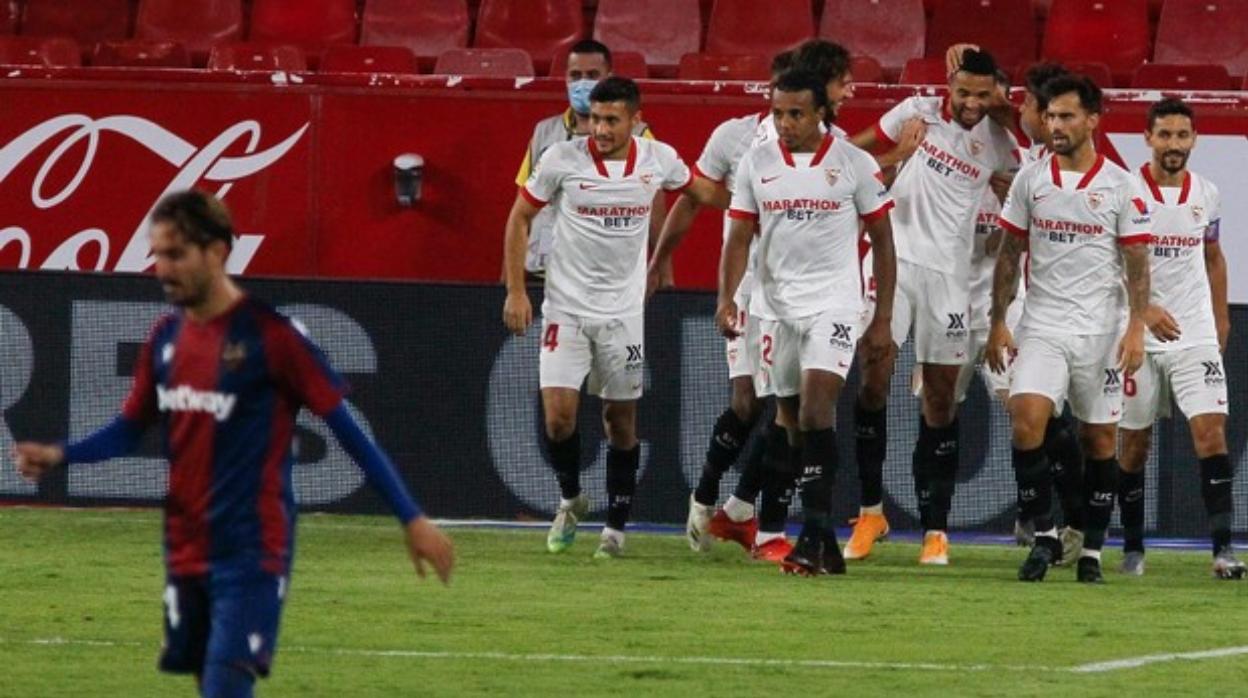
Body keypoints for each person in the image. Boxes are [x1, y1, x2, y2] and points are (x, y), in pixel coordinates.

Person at [12, 189, 454, 698]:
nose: (162, 268)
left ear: (218, 252)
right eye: (156, 254)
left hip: (252, 553)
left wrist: (411, 517)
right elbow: (129, 429)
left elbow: (350, 433)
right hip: (185, 548)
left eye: (175, 254)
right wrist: (61, 454)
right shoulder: (164, 339)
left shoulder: (274, 338)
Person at [648, 40, 859, 562]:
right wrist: (661, 259)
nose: (786, 114)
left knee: (790, 411)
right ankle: (708, 495)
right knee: (748, 404)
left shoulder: (839, 147)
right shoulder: (737, 139)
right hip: (750, 289)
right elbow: (695, 195)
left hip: (808, 294)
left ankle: (764, 527)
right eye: (777, 99)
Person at [503, 77, 713, 559]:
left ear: (636, 121)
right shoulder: (560, 160)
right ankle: (571, 497)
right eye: (594, 118)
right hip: (566, 309)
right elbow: (518, 218)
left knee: (620, 421)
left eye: (611, 119)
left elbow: (700, 192)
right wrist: (516, 290)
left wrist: (758, 209)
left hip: (622, 314)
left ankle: (615, 527)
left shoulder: (657, 159)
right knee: (558, 419)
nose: (599, 128)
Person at [987, 74, 1168, 583]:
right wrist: (998, 321)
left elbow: (1137, 263)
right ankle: (1044, 533)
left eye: (1067, 116)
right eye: (1050, 116)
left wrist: (1135, 329)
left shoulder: (1121, 186)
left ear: (1092, 120)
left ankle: (1090, 549)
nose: (1056, 125)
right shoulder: (1031, 179)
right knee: (1026, 422)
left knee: (1099, 444)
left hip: (1100, 333)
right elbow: (1009, 253)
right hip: (1042, 326)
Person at [718, 69, 896, 576]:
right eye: (777, 113)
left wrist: (881, 318)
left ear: (822, 113)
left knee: (818, 411)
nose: (785, 122)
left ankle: (814, 539)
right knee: (793, 424)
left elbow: (883, 241)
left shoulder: (853, 164)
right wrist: (727, 297)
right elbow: (738, 237)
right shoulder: (757, 163)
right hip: (775, 309)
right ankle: (824, 544)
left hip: (835, 305)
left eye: (795, 113)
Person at [848, 49, 1019, 565]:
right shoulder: (913, 111)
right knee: (874, 375)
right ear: (949, 83)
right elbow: (848, 158)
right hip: (893, 262)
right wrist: (896, 155)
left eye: (981, 95)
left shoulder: (1000, 142)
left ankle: (935, 531)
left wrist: (1004, 184)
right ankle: (871, 512)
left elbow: (1025, 181)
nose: (970, 103)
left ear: (995, 93)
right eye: (963, 91)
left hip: (951, 277)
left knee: (941, 399)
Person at [1117, 98, 1243, 579]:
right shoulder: (1125, 192)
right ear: (1147, 138)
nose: (1174, 144)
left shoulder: (1206, 193)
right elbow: (1111, 262)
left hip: (1194, 335)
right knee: (1134, 446)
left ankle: (1223, 551)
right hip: (1139, 338)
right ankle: (1132, 548)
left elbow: (1212, 256)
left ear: (1194, 140)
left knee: (1211, 433)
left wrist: (1221, 319)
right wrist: (1144, 311)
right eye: (1164, 135)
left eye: (1182, 136)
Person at [512, 39, 668, 284]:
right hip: (541, 275)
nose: (582, 83)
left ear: (609, 77)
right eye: (575, 75)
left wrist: (664, 276)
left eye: (592, 75)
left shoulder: (639, 135)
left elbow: (657, 212)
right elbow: (520, 213)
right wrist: (510, 284)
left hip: (605, 280)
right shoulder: (544, 133)